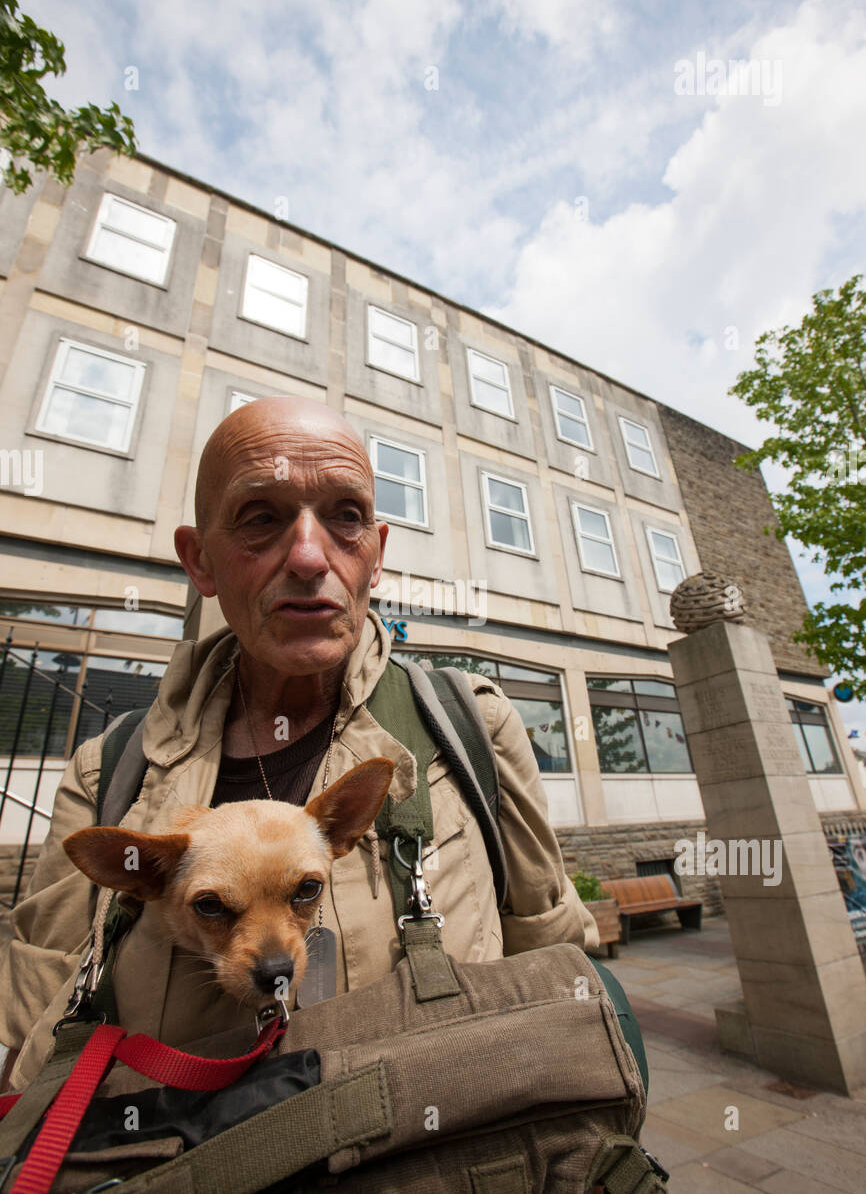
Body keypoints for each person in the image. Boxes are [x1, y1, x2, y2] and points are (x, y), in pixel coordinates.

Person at [0, 396, 598, 1095]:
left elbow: (560, 969)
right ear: (201, 561)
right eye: (262, 517)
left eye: (346, 517)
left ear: (375, 556)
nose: (311, 557)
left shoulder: (470, 728)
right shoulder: (109, 770)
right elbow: (32, 1018)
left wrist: (613, 1179)